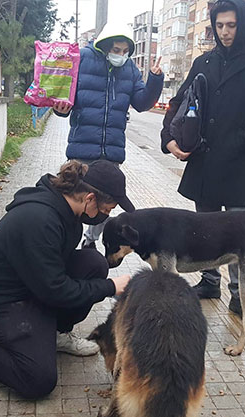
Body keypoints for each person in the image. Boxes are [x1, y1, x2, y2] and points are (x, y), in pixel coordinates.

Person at [0, 160, 133, 399]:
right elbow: (55, 290)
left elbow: (52, 278)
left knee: (94, 264)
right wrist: (110, 287)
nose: (104, 216)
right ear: (90, 198)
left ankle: (55, 334)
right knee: (38, 379)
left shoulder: (69, 212)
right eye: (105, 210)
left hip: (32, 286)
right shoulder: (39, 219)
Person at [159, 0, 245, 322]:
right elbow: (178, 101)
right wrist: (169, 138)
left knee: (239, 233)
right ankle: (209, 282)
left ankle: (238, 297)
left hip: (238, 163)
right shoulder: (205, 61)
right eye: (219, 26)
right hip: (203, 161)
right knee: (205, 228)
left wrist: (241, 141)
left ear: (243, 25)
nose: (225, 32)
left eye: (231, 25)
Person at [53, 23, 164, 249]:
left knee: (104, 204)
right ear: (104, 47)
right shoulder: (82, 59)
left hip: (111, 152)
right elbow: (63, 94)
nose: (120, 55)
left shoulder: (130, 70)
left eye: (125, 51)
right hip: (81, 150)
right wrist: (59, 109)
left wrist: (154, 79)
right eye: (116, 50)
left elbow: (142, 103)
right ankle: (65, 245)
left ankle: (89, 243)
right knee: (74, 201)